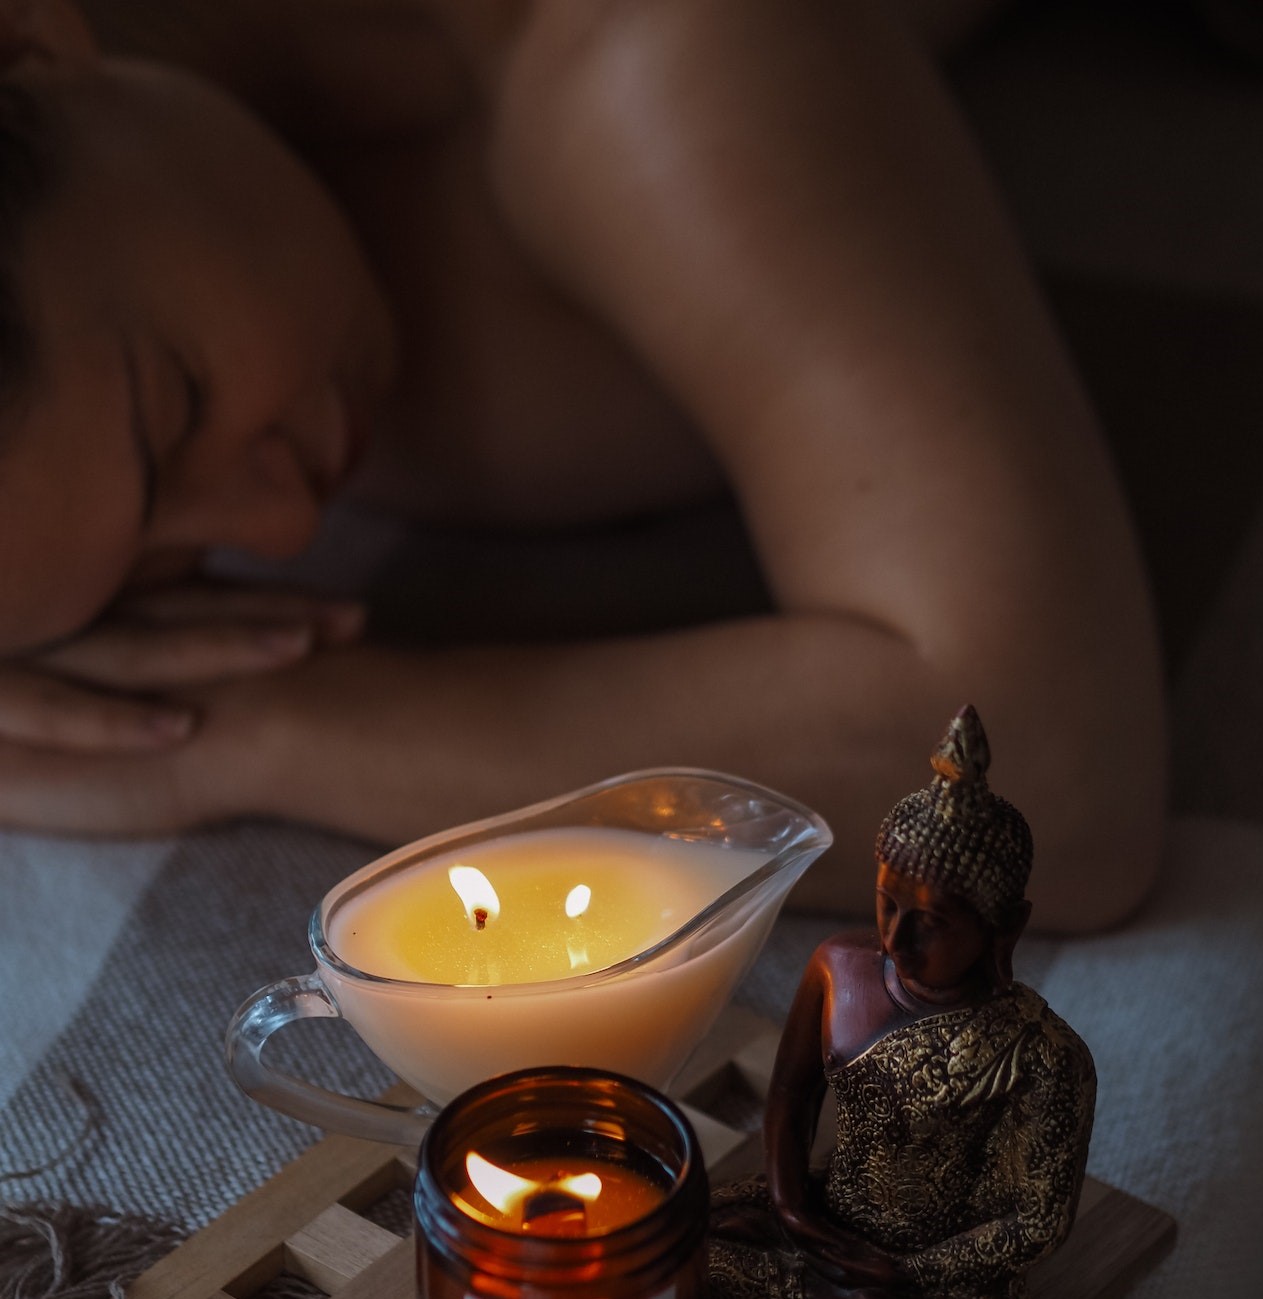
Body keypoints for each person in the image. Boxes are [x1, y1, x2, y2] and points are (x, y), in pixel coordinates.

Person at [0, 0, 1165, 930]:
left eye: (174, 407)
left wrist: (263, 725)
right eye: (131, 582)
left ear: (36, 38)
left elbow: (1049, 781)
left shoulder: (649, 57)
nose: (283, 531)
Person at [708, 706, 1096, 1298]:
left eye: (932, 923)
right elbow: (792, 1091)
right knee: (671, 1230)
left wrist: (906, 1272)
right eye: (888, 904)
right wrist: (792, 1209)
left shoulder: (1040, 1054)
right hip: (825, 1204)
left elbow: (1037, 1223)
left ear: (1003, 929)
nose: (896, 939)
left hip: (930, 1268)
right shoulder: (839, 966)